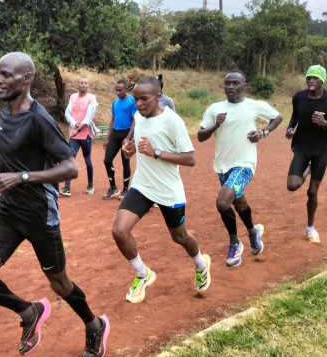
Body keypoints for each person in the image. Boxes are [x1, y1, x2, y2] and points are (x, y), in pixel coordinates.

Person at [0, 52, 110, 357]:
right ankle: (29, 310)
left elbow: (70, 168)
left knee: (59, 283)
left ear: (26, 79)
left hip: (40, 215)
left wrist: (20, 177)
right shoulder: (6, 111)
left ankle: (94, 325)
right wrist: (2, 173)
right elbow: (21, 159)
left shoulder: (40, 119)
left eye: (6, 75)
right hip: (9, 212)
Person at [113, 76, 211, 303]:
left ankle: (200, 264)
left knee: (180, 236)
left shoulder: (172, 121)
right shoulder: (137, 117)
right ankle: (142, 273)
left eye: (144, 99)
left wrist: (155, 152)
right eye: (135, 99)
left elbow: (190, 158)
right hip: (142, 186)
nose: (138, 104)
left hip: (168, 191)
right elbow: (140, 145)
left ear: (158, 97)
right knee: (119, 231)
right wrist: (131, 150)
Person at [198, 69, 282, 267]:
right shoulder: (215, 108)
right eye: (227, 83)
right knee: (239, 204)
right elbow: (201, 136)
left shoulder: (255, 106)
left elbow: (277, 117)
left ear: (244, 86)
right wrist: (215, 126)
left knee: (222, 202)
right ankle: (253, 232)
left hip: (245, 164)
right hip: (222, 166)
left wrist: (263, 132)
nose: (230, 87)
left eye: (236, 83)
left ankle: (235, 243)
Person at [285, 65, 327, 243]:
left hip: (322, 149)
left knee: (312, 191)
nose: (311, 80)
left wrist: (325, 123)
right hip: (302, 145)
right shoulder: (299, 97)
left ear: (322, 81)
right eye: (309, 77)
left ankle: (310, 228)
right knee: (292, 185)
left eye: (315, 78)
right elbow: (295, 116)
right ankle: (307, 169)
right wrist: (290, 127)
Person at [60, 77, 98, 196]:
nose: (83, 85)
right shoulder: (73, 97)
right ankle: (67, 187)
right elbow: (67, 113)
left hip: (85, 135)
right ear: (78, 84)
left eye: (85, 83)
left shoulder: (91, 98)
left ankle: (90, 185)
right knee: (70, 158)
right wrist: (73, 123)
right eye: (81, 82)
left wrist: (79, 128)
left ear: (88, 85)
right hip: (74, 135)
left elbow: (88, 117)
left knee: (87, 160)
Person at [102, 79, 137, 200]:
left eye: (120, 90)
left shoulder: (131, 100)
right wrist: (107, 138)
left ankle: (126, 189)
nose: (117, 92)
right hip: (115, 134)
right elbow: (112, 120)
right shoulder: (115, 102)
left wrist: (128, 138)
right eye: (116, 90)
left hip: (127, 133)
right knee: (107, 160)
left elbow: (134, 121)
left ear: (126, 89)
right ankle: (113, 188)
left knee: (125, 162)